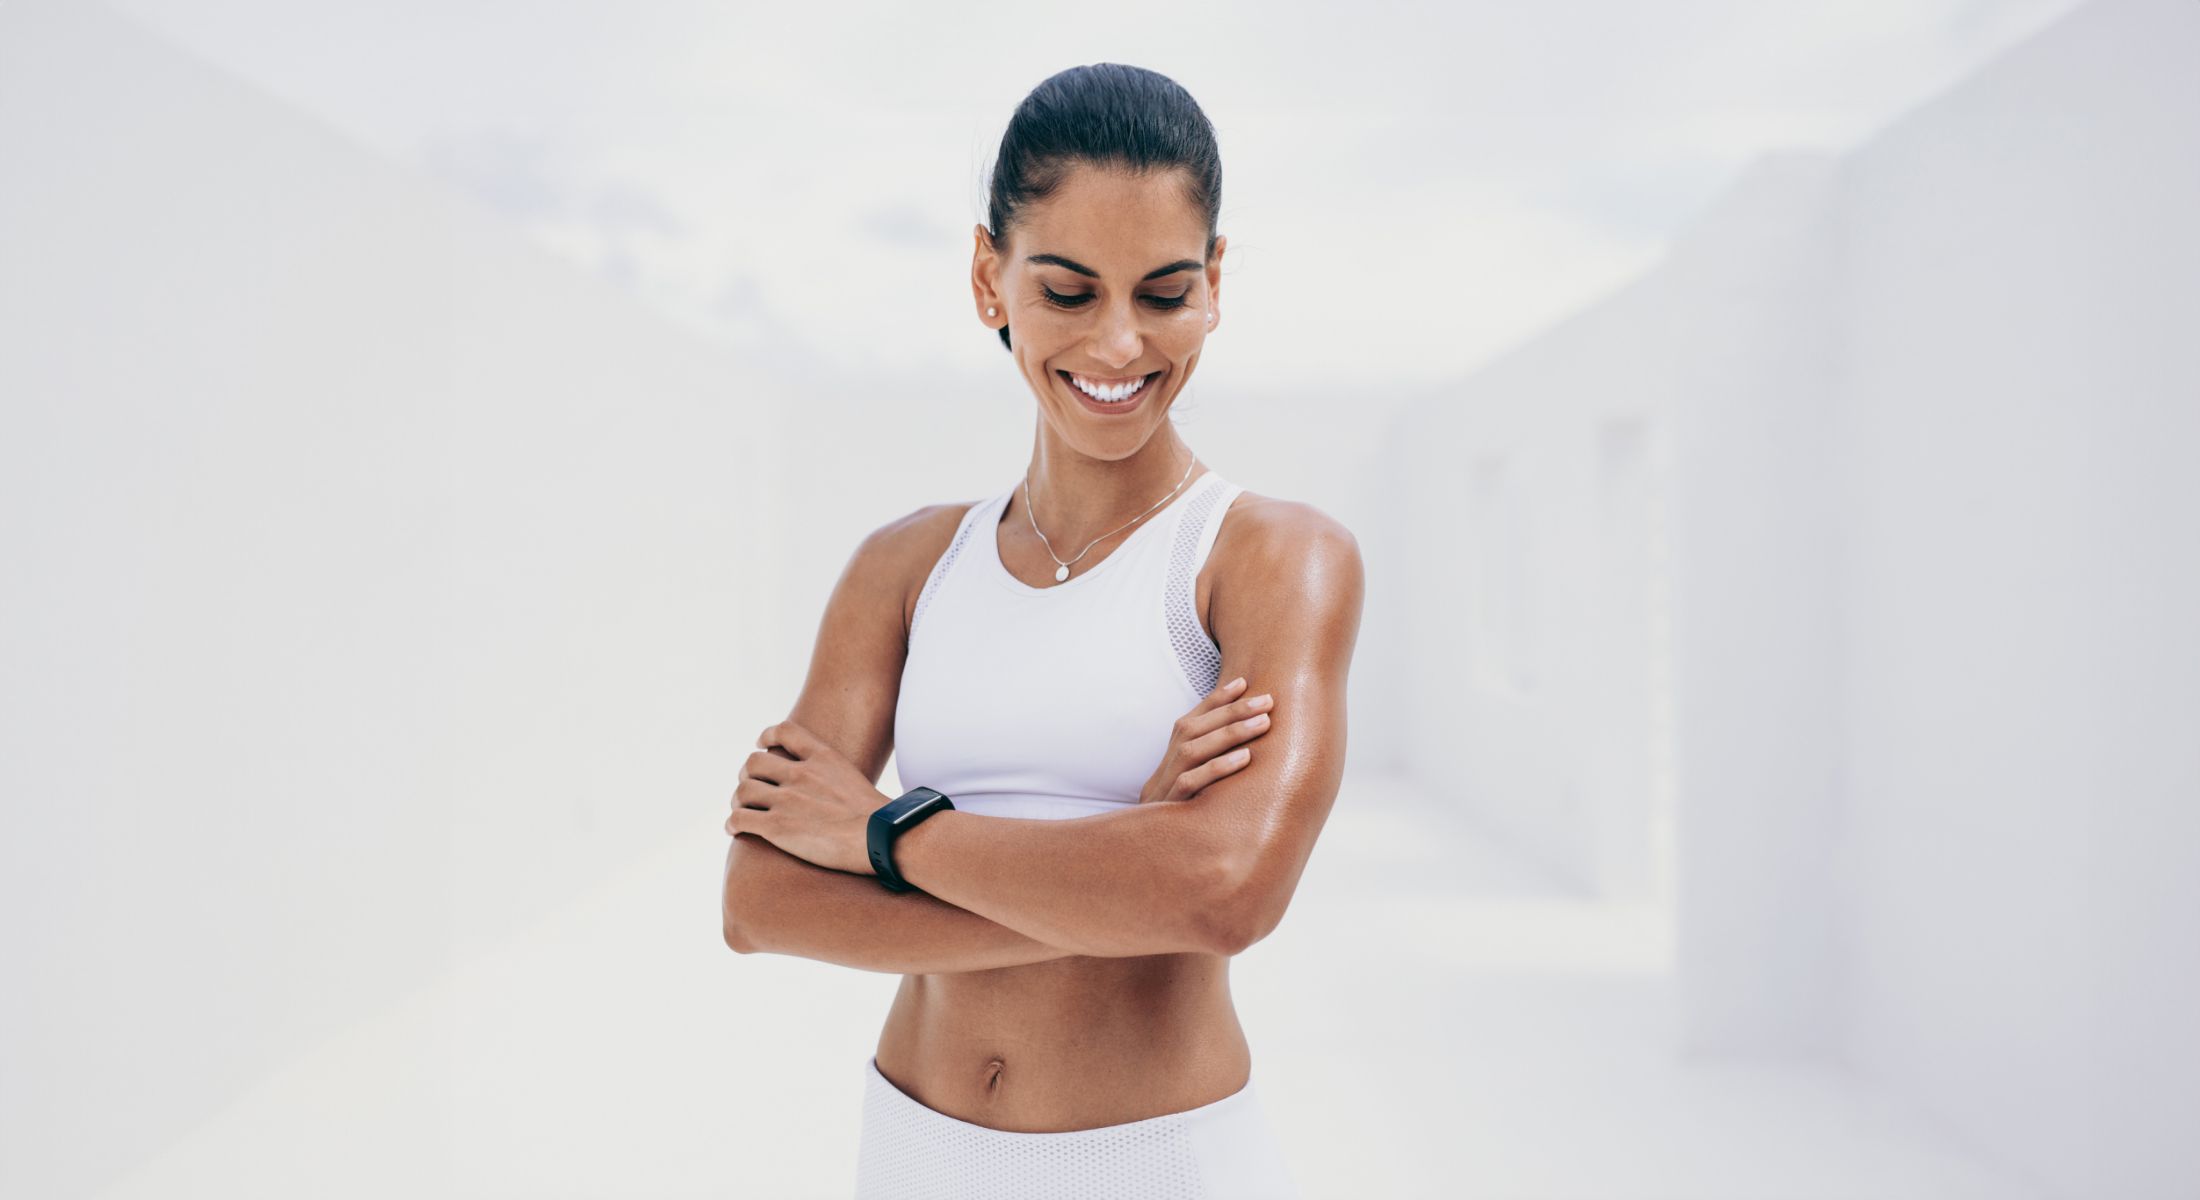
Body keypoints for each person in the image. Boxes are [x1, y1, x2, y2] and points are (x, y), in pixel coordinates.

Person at [721, 61, 1362, 1199]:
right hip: (911, 1150)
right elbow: (760, 902)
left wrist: (885, 835)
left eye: (1164, 293)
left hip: (1160, 1164)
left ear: (1216, 282)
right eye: (1068, 292)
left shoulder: (1271, 558)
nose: (1118, 346)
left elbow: (1225, 894)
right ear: (988, 278)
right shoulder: (905, 567)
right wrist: (1123, 867)